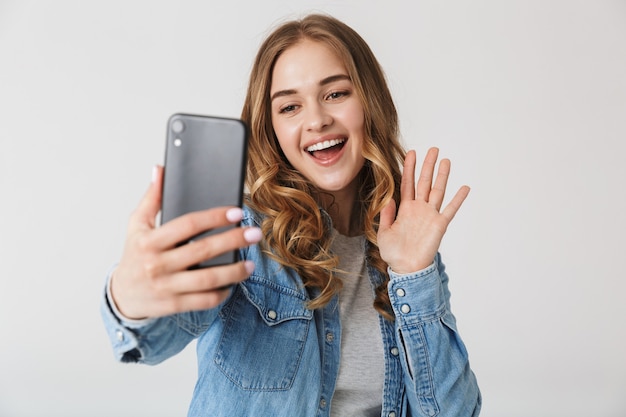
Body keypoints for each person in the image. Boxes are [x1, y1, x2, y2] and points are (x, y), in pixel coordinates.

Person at [101, 13, 481, 417]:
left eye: (335, 94)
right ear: (273, 130)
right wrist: (129, 298)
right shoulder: (243, 235)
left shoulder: (405, 242)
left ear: (370, 101)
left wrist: (413, 273)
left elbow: (454, 411)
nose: (316, 120)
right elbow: (156, 337)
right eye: (290, 107)